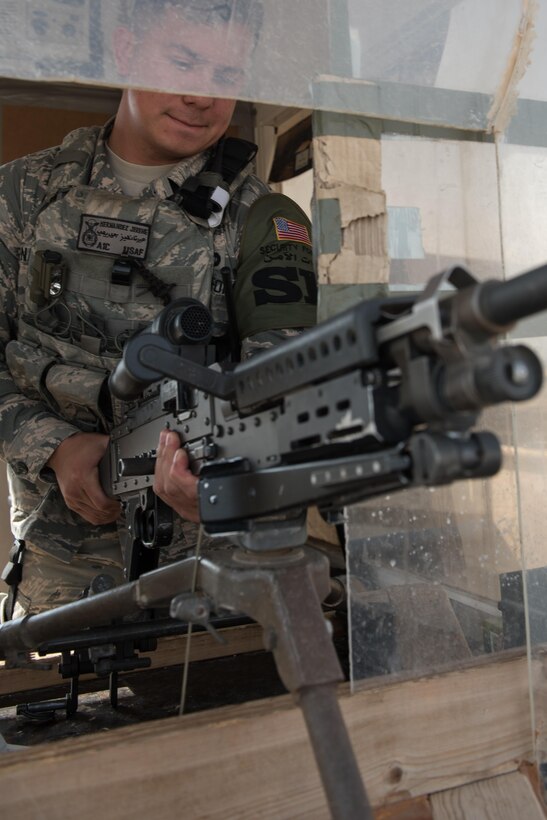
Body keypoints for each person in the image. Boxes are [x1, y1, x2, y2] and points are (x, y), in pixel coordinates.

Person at [0, 0, 317, 619]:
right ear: (124, 51)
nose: (201, 96)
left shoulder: (266, 222)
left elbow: (280, 393)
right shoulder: (22, 196)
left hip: (205, 566)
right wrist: (56, 446)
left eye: (226, 77)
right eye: (182, 62)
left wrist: (228, 483)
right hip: (59, 559)